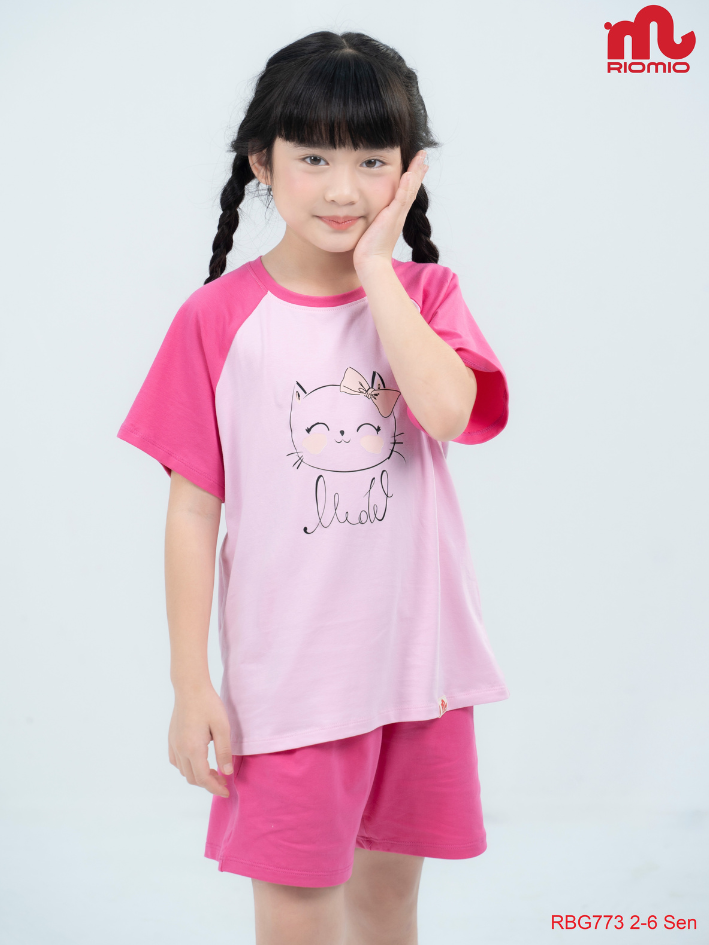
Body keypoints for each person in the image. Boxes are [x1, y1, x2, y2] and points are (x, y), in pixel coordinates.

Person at [118, 30, 510, 945]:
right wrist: (189, 682)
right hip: (289, 683)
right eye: (314, 158)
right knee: (296, 912)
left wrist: (376, 271)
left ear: (408, 170)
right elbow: (192, 509)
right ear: (262, 163)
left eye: (372, 160)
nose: (343, 189)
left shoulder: (426, 295)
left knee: (388, 906)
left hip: (417, 675)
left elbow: (446, 411)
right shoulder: (217, 318)